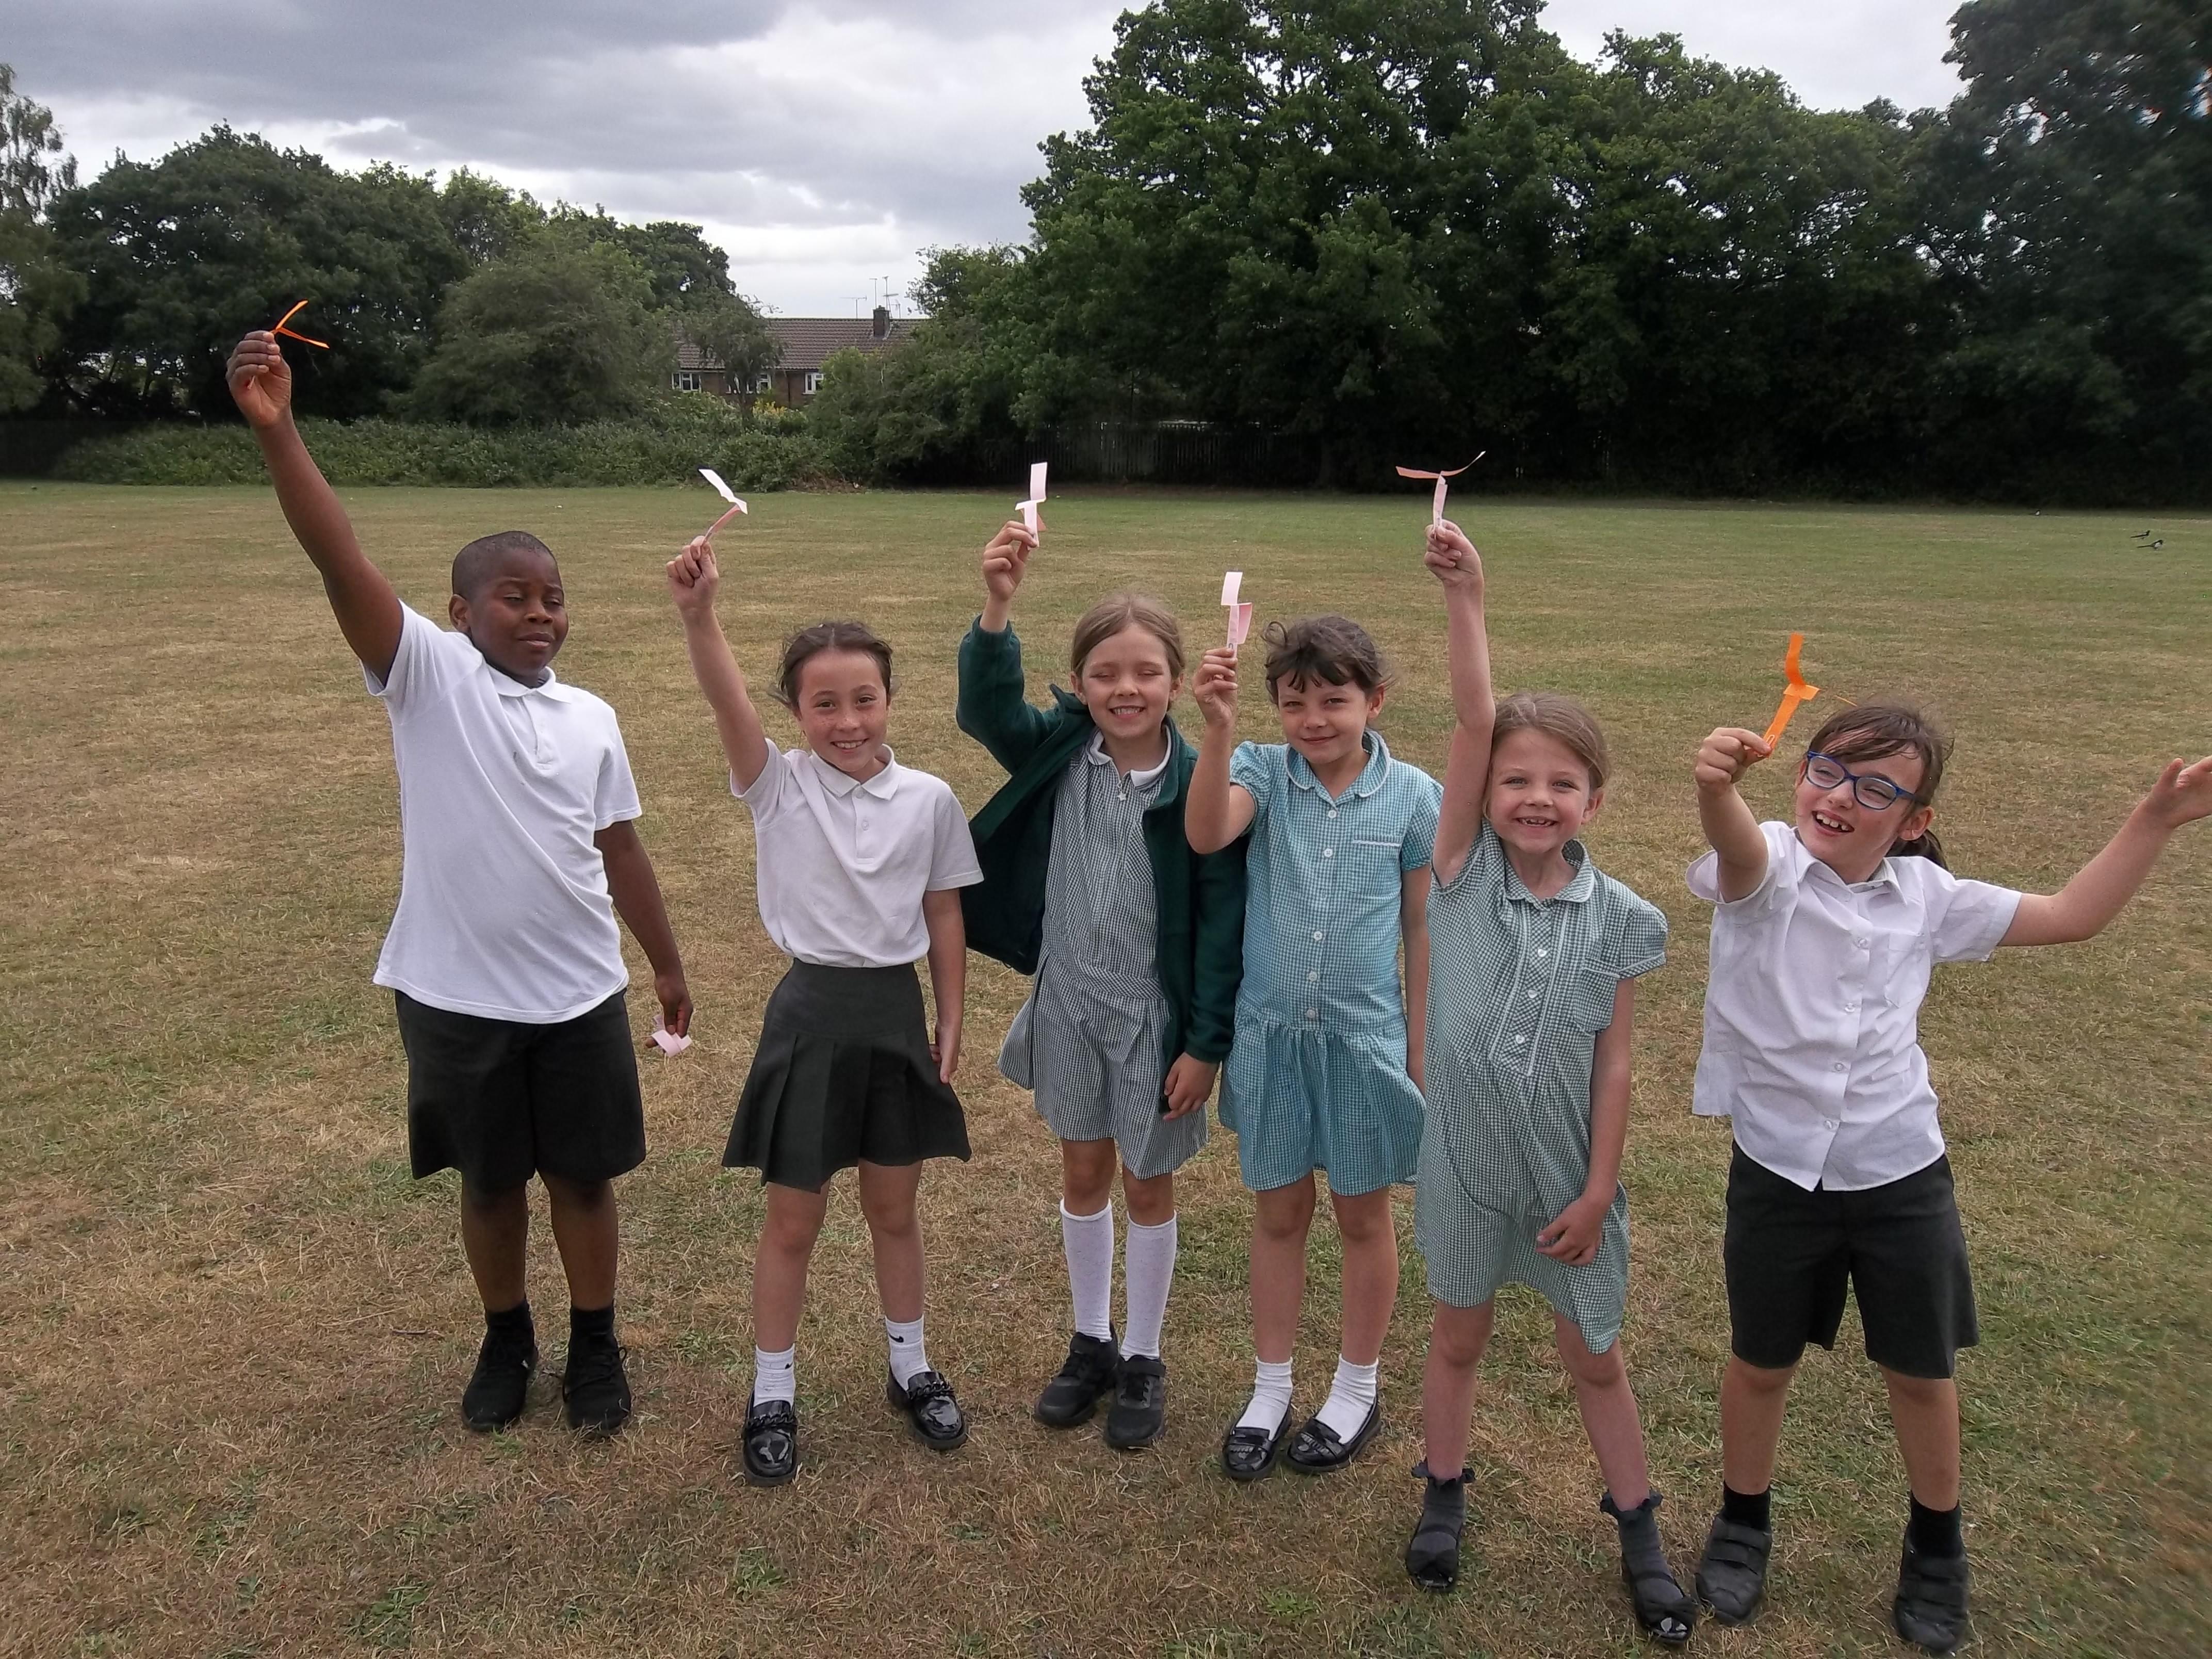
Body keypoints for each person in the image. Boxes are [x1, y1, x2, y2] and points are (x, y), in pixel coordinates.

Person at [224, 330, 691, 1438]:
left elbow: (621, 848)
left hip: (578, 991)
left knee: (584, 1180)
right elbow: (339, 559)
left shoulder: (592, 717)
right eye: (513, 598)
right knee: (489, 1183)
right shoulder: (426, 677)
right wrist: (280, 433)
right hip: (453, 992)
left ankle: (593, 1344)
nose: (539, 614)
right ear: (460, 612)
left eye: (554, 598)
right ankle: (505, 1338)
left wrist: (666, 964)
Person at [1688, 705, 2212, 1653]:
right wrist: (1715, 786)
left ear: (1915, 820)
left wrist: (2154, 821)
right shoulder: (1768, 868)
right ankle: (1743, 1521)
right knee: (1761, 1363)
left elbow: (2073, 916)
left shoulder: (1927, 898)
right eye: (1827, 770)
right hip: (1778, 1172)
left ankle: (1938, 1548)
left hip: (1901, 1175)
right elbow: (1735, 848)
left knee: (1921, 1373)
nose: (1840, 797)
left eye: (1876, 788)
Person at [1400, 520, 1694, 1642]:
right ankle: (1441, 1494)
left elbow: (1615, 1060)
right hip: (1465, 1169)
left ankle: (1640, 1534)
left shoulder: (1623, 919)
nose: (1534, 797)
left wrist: (1597, 1186)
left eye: (1560, 783)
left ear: (1594, 802)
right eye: (1515, 780)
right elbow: (1473, 718)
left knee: (1594, 1358)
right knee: (1457, 1338)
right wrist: (1466, 598)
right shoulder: (1458, 871)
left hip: (1569, 1182)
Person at [663, 536, 982, 1487]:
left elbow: (944, 911)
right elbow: (725, 697)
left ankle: (910, 1366)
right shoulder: (778, 785)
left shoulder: (929, 799)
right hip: (807, 1016)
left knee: (894, 1208)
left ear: (890, 700)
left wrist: (951, 1014)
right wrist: (700, 615)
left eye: (864, 699)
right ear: (796, 713)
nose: (848, 721)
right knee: (793, 1221)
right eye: (824, 704)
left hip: (892, 1019)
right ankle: (772, 1392)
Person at [954, 517, 1245, 1450]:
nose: (1126, 689)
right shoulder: (1059, 753)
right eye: (1105, 673)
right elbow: (988, 712)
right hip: (1071, 1004)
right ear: (1080, 683)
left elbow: (1220, 927)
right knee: (1083, 1173)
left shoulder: (1200, 785)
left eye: (1146, 673)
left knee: (1148, 1184)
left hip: (1155, 1022)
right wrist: (997, 606)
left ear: (1177, 683)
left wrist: (1204, 1044)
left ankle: (1145, 1356)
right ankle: (1091, 1342)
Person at [1186, 613, 1439, 1479]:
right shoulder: (1262, 770)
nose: (1314, 720)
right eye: (1294, 704)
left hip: (1364, 1044)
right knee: (1279, 1214)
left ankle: (1356, 1389)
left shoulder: (1414, 797)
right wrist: (1220, 731)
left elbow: (1422, 928)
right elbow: (1207, 832)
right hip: (1272, 1042)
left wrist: (1418, 1047)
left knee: (1363, 1216)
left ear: (1375, 700)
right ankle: (1270, 1388)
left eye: (1334, 701)